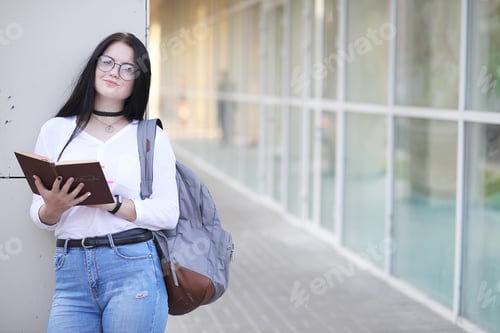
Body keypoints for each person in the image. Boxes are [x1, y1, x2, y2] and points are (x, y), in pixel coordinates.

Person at [29, 32, 179, 333]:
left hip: (133, 267)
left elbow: (168, 213)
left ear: (138, 80)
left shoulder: (150, 137)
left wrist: (113, 205)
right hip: (70, 271)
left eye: (127, 68)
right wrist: (53, 208)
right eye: (107, 61)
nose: (114, 71)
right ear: (94, 66)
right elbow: (39, 216)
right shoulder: (55, 130)